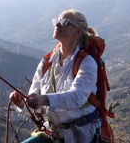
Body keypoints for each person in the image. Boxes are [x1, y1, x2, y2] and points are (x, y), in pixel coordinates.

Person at [10, 10, 101, 143]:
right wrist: (21, 103)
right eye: (57, 21)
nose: (58, 25)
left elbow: (77, 97)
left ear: (78, 31)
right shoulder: (47, 62)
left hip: (82, 136)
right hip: (54, 134)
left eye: (64, 22)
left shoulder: (87, 62)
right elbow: (35, 101)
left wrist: (45, 99)